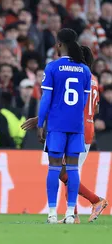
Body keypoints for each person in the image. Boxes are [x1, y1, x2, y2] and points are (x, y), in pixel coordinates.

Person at [21, 46, 108, 223]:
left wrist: (40, 118)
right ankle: (73, 213)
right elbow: (95, 108)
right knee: (67, 171)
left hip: (73, 127)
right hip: (87, 128)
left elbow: (68, 105)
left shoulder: (75, 76)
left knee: (65, 171)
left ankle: (94, 201)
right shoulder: (92, 78)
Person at [37, 28, 91, 224]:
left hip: (57, 125)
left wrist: (41, 122)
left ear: (59, 44)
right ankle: (70, 213)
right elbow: (83, 101)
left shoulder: (52, 67)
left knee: (53, 168)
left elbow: (46, 99)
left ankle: (52, 213)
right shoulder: (85, 70)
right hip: (76, 126)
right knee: (73, 169)